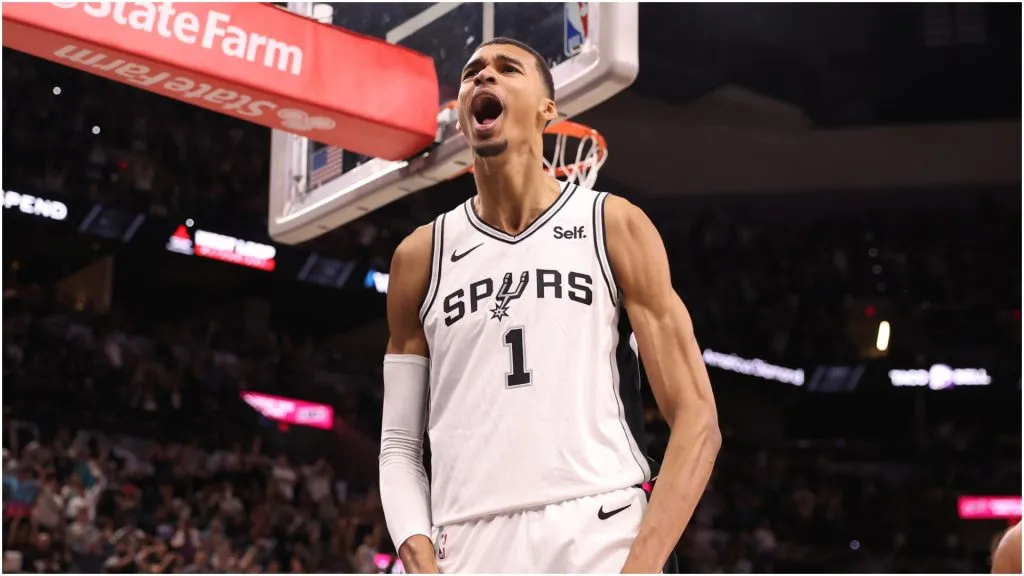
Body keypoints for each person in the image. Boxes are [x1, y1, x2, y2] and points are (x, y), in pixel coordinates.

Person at [379, 37, 721, 573]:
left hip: (598, 523)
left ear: (547, 110)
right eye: (472, 72)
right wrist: (416, 548)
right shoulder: (420, 257)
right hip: (468, 538)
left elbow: (697, 417)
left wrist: (643, 564)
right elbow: (399, 443)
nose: (482, 78)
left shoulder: (614, 226)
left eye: (506, 69)